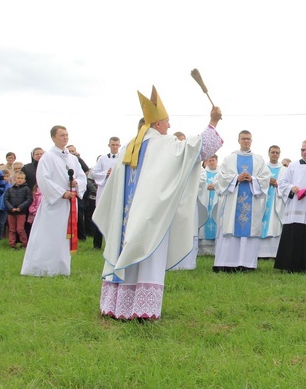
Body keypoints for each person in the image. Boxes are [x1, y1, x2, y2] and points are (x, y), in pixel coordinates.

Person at [95, 86, 223, 319]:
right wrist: (213, 122)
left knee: (129, 251)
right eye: (167, 122)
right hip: (150, 215)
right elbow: (195, 149)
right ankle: (142, 310)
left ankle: (115, 305)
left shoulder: (128, 147)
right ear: (156, 124)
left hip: (126, 217)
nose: (169, 126)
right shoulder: (161, 144)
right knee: (148, 256)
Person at [21, 126, 87, 276]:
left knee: (64, 236)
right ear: (53, 138)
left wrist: (77, 183)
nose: (65, 138)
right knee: (48, 235)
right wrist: (62, 193)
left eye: (67, 135)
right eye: (62, 135)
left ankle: (61, 268)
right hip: (54, 203)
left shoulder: (72, 158)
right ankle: (41, 267)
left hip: (69, 204)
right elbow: (43, 179)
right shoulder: (48, 157)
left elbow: (82, 176)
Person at [212, 130, 271, 272]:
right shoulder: (229, 158)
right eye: (243, 139)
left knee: (249, 231)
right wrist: (235, 179)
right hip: (233, 202)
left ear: (252, 141)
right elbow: (220, 177)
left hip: (252, 200)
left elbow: (265, 177)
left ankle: (247, 264)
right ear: (238, 140)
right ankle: (227, 263)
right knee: (231, 230)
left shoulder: (258, 159)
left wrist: (253, 179)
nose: (246, 141)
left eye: (248, 139)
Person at [274, 140, 306, 273]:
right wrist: (291, 187)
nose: (304, 152)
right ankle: (285, 265)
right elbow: (282, 183)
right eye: (302, 150)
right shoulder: (293, 165)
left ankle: (301, 266)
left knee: (304, 237)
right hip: (294, 207)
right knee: (291, 235)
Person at [89, 137, 121, 249]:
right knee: (100, 215)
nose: (115, 147)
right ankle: (97, 244)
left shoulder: (122, 158)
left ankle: (112, 244)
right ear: (109, 145)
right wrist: (106, 173)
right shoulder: (102, 159)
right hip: (103, 190)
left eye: (117, 145)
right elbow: (93, 173)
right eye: (113, 145)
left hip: (116, 190)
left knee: (114, 217)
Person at [258, 145, 285, 258]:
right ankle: (259, 252)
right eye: (272, 152)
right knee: (260, 223)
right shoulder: (262, 167)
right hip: (262, 200)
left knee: (275, 224)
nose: (274, 154)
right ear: (268, 153)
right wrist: (266, 182)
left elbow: (286, 185)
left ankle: (273, 253)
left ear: (279, 154)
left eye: (277, 153)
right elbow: (256, 181)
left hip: (276, 201)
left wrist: (277, 184)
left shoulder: (284, 169)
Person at [199, 155, 220, 255]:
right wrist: (206, 187)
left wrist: (215, 186)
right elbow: (199, 184)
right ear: (206, 162)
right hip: (205, 201)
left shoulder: (221, 173)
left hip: (216, 202)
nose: (211, 162)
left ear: (216, 161)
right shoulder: (203, 173)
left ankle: (216, 250)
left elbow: (223, 184)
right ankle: (203, 250)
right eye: (209, 160)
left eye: (213, 160)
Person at [5, 171, 32, 248]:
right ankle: (12, 244)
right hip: (11, 213)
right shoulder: (10, 189)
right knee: (12, 229)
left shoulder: (27, 189)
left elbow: (29, 199)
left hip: (21, 212)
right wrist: (11, 208)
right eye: (18, 178)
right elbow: (6, 199)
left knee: (20, 229)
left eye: (22, 178)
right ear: (14, 179)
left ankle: (24, 244)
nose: (20, 180)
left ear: (24, 180)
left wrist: (20, 207)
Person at [0, 169, 12, 241]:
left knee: (2, 223)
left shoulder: (10, 187)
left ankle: (0, 236)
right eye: (3, 176)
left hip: (5, 208)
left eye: (7, 176)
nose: (5, 178)